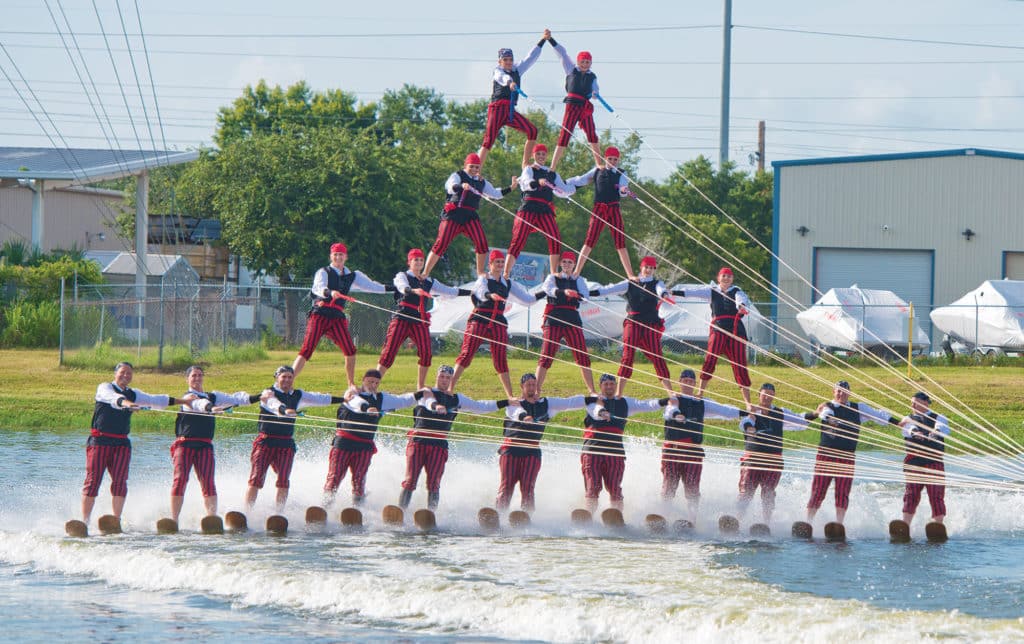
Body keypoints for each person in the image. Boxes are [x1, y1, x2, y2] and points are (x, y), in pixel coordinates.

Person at [81, 362, 191, 524]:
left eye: (129, 373)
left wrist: (183, 401)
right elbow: (115, 399)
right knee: (93, 480)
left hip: (121, 443)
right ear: (115, 373)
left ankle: (116, 520)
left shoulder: (134, 394)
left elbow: (156, 400)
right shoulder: (105, 388)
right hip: (100, 441)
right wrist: (129, 404)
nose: (126, 375)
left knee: (120, 481)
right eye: (122, 372)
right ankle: (84, 521)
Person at [399, 365, 509, 510]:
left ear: (451, 380)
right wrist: (436, 406)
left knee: (434, 483)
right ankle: (400, 511)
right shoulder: (425, 392)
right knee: (410, 480)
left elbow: (481, 406)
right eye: (442, 376)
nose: (444, 380)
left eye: (448, 378)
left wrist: (506, 402)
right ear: (437, 376)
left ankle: (431, 514)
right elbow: (428, 402)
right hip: (418, 442)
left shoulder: (457, 399)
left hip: (438, 446)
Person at [292, 242, 393, 386]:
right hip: (320, 314)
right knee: (307, 349)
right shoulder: (324, 272)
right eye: (335, 254)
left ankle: (351, 384)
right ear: (331, 256)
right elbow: (319, 287)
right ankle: (288, 380)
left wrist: (394, 289)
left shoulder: (352, 275)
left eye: (341, 254)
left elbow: (372, 286)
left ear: (346, 257)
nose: (338, 257)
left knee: (350, 350)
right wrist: (330, 292)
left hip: (337, 317)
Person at [170, 365, 261, 523]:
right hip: (184, 446)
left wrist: (260, 397)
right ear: (188, 379)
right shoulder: (188, 398)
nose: (197, 378)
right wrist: (213, 408)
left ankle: (211, 518)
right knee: (180, 480)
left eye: (199, 375)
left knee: (208, 481)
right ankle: (174, 519)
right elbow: (200, 405)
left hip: (205, 446)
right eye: (193, 376)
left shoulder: (213, 396)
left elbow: (236, 399)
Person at [246, 366, 344, 511]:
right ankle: (247, 511)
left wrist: (344, 399)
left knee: (284, 480)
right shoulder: (268, 393)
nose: (286, 380)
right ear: (276, 378)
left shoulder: (298, 395)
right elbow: (274, 404)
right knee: (256, 478)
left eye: (290, 377)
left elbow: (320, 398)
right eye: (283, 377)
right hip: (265, 441)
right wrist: (285, 410)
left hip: (285, 443)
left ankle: (279, 513)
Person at [322, 369, 422, 507]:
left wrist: (422, 394)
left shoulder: (382, 399)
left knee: (359, 480)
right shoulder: (351, 394)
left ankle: (357, 509)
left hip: (365, 446)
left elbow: (403, 401)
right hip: (343, 443)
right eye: (370, 381)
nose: (373, 385)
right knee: (334, 477)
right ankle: (324, 507)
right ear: (363, 380)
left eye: (376, 382)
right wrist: (367, 408)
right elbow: (356, 403)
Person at [497, 373, 595, 511]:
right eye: (528, 385)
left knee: (528, 487)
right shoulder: (513, 403)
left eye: (534, 385)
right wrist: (525, 417)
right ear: (522, 387)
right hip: (511, 449)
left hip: (532, 451)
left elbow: (569, 403)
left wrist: (592, 400)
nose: (531, 388)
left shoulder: (546, 404)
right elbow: (517, 412)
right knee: (506, 486)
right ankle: (499, 514)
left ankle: (526, 516)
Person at [376, 248, 469, 390]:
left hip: (420, 320)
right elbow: (402, 287)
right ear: (409, 262)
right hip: (402, 317)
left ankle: (420, 386)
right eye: (415, 260)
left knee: (426, 354)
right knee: (389, 353)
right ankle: (373, 383)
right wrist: (413, 290)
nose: (419, 262)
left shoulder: (429, 281)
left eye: (421, 260)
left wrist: (472, 292)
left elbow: (450, 291)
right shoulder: (402, 276)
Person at [450, 250, 539, 397]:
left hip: (498, 321)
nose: (500, 264)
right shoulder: (483, 279)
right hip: (480, 319)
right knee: (467, 354)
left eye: (502, 262)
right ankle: (449, 388)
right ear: (490, 264)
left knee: (500, 359)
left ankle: (510, 395)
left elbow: (527, 299)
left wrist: (545, 293)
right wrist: (490, 295)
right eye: (496, 262)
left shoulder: (507, 283)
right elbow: (480, 293)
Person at [805, 380, 894, 526]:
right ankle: (808, 522)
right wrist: (830, 419)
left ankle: (839, 524)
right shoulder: (828, 406)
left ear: (849, 393)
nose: (841, 393)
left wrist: (900, 423)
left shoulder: (858, 408)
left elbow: (880, 416)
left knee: (842, 491)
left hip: (847, 456)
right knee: (818, 490)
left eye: (844, 390)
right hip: (826, 455)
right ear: (834, 392)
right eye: (838, 390)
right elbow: (824, 414)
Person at [661, 368, 744, 523]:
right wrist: (676, 415)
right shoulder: (673, 399)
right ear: (679, 382)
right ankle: (664, 517)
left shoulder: (702, 403)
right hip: (672, 451)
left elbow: (725, 410)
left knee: (692, 489)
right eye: (685, 381)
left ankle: (692, 520)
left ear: (694, 384)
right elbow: (669, 412)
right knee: (669, 487)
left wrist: (744, 413)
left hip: (693, 452)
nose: (687, 384)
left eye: (691, 382)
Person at [582, 373, 667, 511]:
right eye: (606, 384)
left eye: (612, 384)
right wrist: (603, 412)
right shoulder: (593, 401)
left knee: (615, 489)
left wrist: (664, 401)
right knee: (593, 488)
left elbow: (645, 405)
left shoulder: (624, 402)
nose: (609, 387)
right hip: (593, 451)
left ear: (616, 385)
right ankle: (588, 514)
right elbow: (595, 410)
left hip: (615, 452)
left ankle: (616, 516)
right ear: (600, 386)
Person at [423, 154, 516, 278]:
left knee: (482, 242)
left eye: (477, 167)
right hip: (454, 213)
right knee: (441, 243)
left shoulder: (482, 182)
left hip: (470, 215)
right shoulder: (457, 175)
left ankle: (480, 272)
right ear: (465, 165)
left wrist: (511, 187)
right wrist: (461, 186)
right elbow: (450, 187)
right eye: (471, 166)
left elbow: (495, 194)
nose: (474, 169)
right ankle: (425, 272)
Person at [674, 267, 753, 408]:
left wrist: (741, 307)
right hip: (718, 328)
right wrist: (671, 292)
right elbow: (692, 293)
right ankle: (700, 393)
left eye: (729, 276)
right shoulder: (712, 291)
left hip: (735, 331)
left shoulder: (737, 291)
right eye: (724, 276)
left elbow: (741, 300)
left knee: (740, 366)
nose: (726, 278)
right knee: (710, 359)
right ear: (718, 278)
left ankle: (748, 403)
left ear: (732, 279)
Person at [600, 256, 674, 397]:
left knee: (658, 357)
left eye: (651, 268)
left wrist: (664, 295)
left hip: (650, 324)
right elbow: (609, 290)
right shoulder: (630, 283)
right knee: (627, 356)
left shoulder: (657, 283)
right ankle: (619, 394)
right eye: (646, 267)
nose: (648, 270)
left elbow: (661, 290)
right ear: (641, 267)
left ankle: (671, 393)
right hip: (633, 323)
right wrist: (588, 293)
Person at [736, 383, 811, 523]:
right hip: (752, 459)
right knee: (746, 491)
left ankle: (766, 523)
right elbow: (744, 423)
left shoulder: (780, 412)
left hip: (773, 461)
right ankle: (737, 520)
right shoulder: (752, 412)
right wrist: (749, 428)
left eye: (770, 394)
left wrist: (816, 414)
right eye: (764, 394)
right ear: (759, 395)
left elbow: (800, 420)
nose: (767, 397)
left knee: (768, 493)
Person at [535, 251, 606, 395]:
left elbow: (585, 296)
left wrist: (577, 295)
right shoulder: (552, 277)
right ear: (560, 263)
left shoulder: (578, 280)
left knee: (582, 355)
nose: (567, 264)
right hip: (554, 317)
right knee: (546, 354)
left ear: (574, 265)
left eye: (570, 262)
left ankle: (592, 391)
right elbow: (547, 289)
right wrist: (564, 292)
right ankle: (535, 390)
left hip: (572, 318)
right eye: (564, 262)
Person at [504, 144, 576, 279]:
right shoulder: (529, 169)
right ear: (533, 155)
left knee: (555, 238)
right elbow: (527, 183)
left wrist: (575, 186)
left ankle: (554, 272)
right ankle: (506, 273)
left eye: (543, 154)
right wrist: (538, 182)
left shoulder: (552, 173)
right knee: (518, 239)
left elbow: (564, 189)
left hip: (545, 210)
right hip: (529, 207)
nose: (541, 156)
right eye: (538, 154)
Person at [478, 32, 547, 168]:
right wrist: (510, 82)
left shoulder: (517, 69)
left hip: (510, 111)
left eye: (510, 59)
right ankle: (476, 169)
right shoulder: (497, 71)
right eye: (505, 60)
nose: (509, 62)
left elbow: (530, 58)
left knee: (532, 131)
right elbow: (502, 78)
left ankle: (525, 164)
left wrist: (543, 40)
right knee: (488, 140)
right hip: (497, 109)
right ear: (500, 61)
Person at [565, 147, 635, 279]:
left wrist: (624, 190)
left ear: (618, 160)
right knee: (590, 239)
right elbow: (581, 179)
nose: (613, 162)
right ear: (605, 158)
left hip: (613, 209)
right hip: (599, 209)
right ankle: (577, 271)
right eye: (610, 159)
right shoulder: (598, 170)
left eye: (615, 159)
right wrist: (565, 183)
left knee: (620, 241)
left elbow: (622, 192)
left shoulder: (622, 173)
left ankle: (630, 274)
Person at [547, 32, 603, 170]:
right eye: (583, 61)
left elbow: (595, 89)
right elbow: (562, 54)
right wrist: (550, 40)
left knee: (591, 132)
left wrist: (595, 93)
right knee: (565, 133)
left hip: (585, 107)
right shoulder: (571, 69)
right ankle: (553, 166)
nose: (585, 64)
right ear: (578, 62)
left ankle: (599, 163)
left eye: (587, 62)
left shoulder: (592, 76)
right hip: (572, 105)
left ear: (591, 63)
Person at [894, 391, 951, 525]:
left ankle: (938, 525)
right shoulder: (907, 418)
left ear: (925, 403)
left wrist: (934, 433)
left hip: (933, 461)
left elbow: (943, 428)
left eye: (915, 402)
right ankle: (905, 524)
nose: (912, 404)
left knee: (936, 494)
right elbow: (907, 428)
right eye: (911, 402)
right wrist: (915, 432)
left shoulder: (938, 417)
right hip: (914, 462)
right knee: (911, 494)